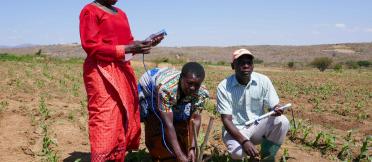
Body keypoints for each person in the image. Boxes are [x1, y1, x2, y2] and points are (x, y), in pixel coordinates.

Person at [79, 0, 164, 161]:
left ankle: (118, 157)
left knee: (123, 115)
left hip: (123, 69)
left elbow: (128, 44)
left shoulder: (121, 14)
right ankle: (102, 157)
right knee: (105, 117)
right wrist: (128, 48)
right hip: (100, 71)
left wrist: (143, 44)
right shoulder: (90, 11)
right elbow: (91, 46)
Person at [216, 49, 289, 161]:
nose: (246, 66)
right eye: (241, 63)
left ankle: (267, 156)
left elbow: (273, 105)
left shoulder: (263, 81)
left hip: (257, 126)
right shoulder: (224, 87)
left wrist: (276, 108)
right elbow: (226, 120)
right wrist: (244, 141)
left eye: (249, 63)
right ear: (233, 66)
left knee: (282, 121)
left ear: (253, 66)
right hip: (236, 129)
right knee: (238, 153)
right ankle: (246, 152)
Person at [138, 62, 209, 162]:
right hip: (151, 88)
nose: (192, 88)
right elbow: (168, 124)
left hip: (173, 90)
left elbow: (195, 119)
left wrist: (192, 148)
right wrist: (179, 155)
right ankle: (156, 152)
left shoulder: (201, 93)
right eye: (189, 83)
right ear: (181, 78)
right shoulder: (166, 89)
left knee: (181, 119)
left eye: (197, 85)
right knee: (156, 121)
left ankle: (178, 148)